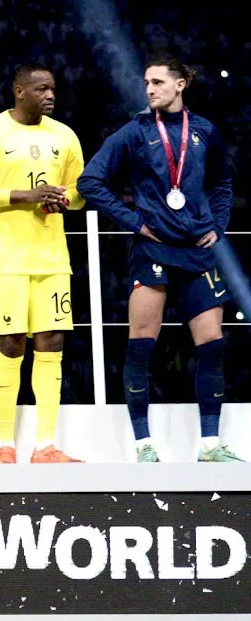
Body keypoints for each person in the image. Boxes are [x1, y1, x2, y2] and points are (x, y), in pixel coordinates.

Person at [77, 55, 240, 461]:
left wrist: (217, 226)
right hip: (153, 250)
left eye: (157, 82)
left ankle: (209, 444)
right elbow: (90, 183)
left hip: (197, 253)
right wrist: (134, 222)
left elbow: (222, 183)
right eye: (146, 83)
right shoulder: (133, 132)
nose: (149, 89)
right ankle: (142, 444)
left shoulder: (204, 131)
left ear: (181, 84)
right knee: (141, 346)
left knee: (212, 346)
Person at [0, 63, 86, 463]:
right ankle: (4, 445)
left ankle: (45, 445)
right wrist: (22, 196)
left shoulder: (64, 136)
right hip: (6, 258)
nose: (50, 96)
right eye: (42, 89)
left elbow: (82, 192)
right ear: (19, 91)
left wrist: (65, 199)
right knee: (11, 344)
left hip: (52, 257)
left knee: (52, 342)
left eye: (53, 89)